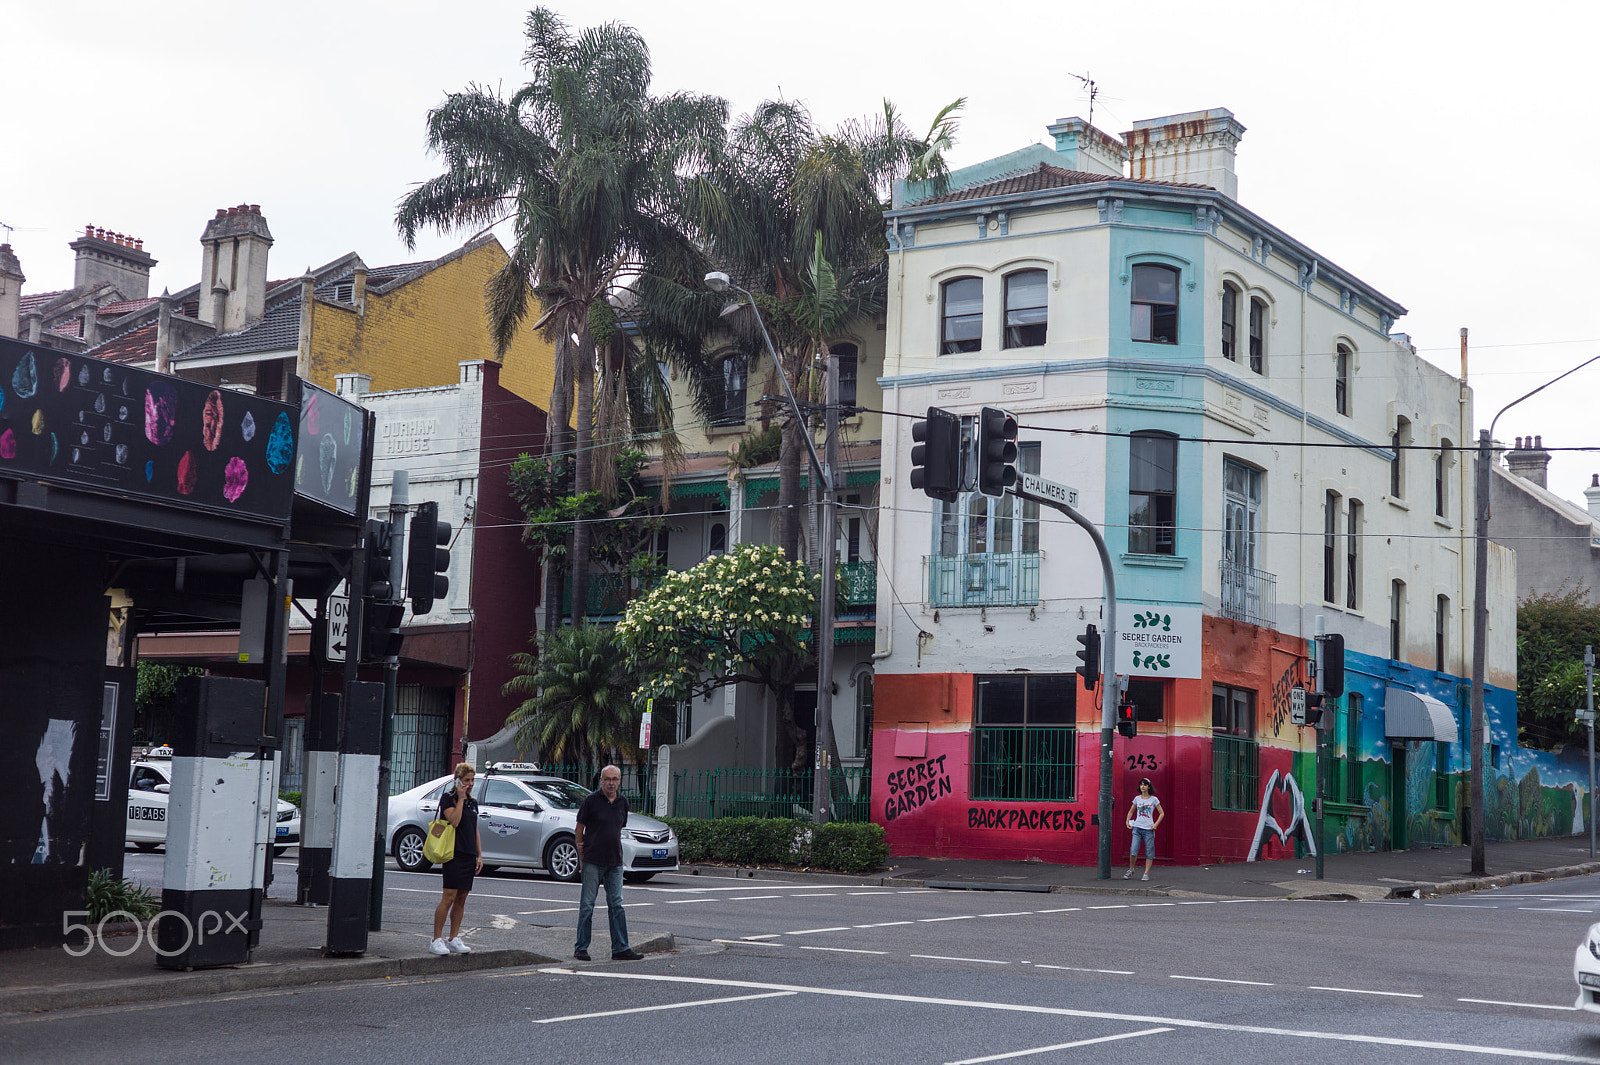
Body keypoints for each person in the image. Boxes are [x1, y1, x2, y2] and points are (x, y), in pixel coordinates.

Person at [573, 764, 643, 962]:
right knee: (587, 905)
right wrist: (581, 854)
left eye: (615, 779)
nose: (611, 783)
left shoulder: (623, 802)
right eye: (607, 779)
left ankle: (621, 948)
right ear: (601, 781)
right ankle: (581, 947)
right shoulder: (591, 801)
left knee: (617, 905)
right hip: (593, 860)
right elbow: (579, 829)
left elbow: (619, 828)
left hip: (615, 861)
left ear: (619, 781)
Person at [431, 762, 481, 955]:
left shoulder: (473, 802)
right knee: (449, 896)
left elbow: (474, 829)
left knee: (462, 897)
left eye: (472, 780)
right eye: (466, 780)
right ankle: (436, 939)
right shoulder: (448, 799)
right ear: (458, 780)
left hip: (468, 853)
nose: (470, 784)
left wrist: (479, 854)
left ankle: (454, 937)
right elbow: (454, 821)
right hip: (453, 853)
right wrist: (460, 799)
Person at [1124, 777, 1164, 882]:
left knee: (1149, 852)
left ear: (1149, 787)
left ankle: (1146, 873)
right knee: (1133, 850)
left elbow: (1162, 813)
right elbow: (1131, 811)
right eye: (1141, 784)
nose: (1142, 786)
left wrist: (1155, 825)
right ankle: (1131, 869)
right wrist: (1127, 821)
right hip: (1137, 828)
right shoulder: (1137, 799)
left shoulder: (1154, 799)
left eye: (1145, 785)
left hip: (1148, 829)